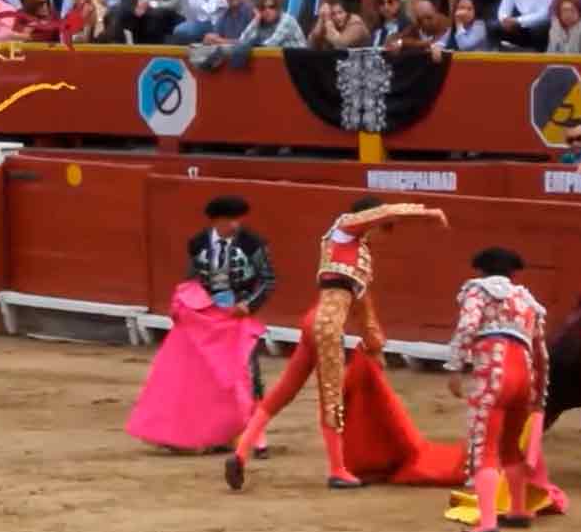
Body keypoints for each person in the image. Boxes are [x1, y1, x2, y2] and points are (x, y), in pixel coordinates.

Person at [225, 198, 448, 491]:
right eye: (385, 228)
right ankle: (338, 469)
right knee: (332, 400)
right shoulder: (344, 228)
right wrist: (427, 213)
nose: (385, 233)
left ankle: (241, 454)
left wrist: (374, 345)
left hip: (313, 321)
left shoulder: (358, 256)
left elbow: (363, 309)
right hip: (327, 327)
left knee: (283, 393)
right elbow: (383, 213)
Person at [445, 246, 549, 532]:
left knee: (484, 447)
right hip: (524, 374)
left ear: (480, 271)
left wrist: (455, 366)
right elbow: (540, 350)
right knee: (510, 446)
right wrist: (539, 391)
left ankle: (487, 523)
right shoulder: (526, 300)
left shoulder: (477, 292)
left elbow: (468, 326)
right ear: (513, 273)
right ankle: (518, 510)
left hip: (494, 371)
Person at [188, 195, 276, 453]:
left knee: (248, 373)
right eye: (232, 219)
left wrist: (248, 304)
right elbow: (192, 281)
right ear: (218, 221)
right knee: (211, 374)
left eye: (239, 219)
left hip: (240, 316)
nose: (237, 224)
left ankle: (257, 436)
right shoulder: (197, 243)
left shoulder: (253, 243)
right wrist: (191, 307)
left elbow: (268, 280)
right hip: (209, 318)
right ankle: (221, 433)